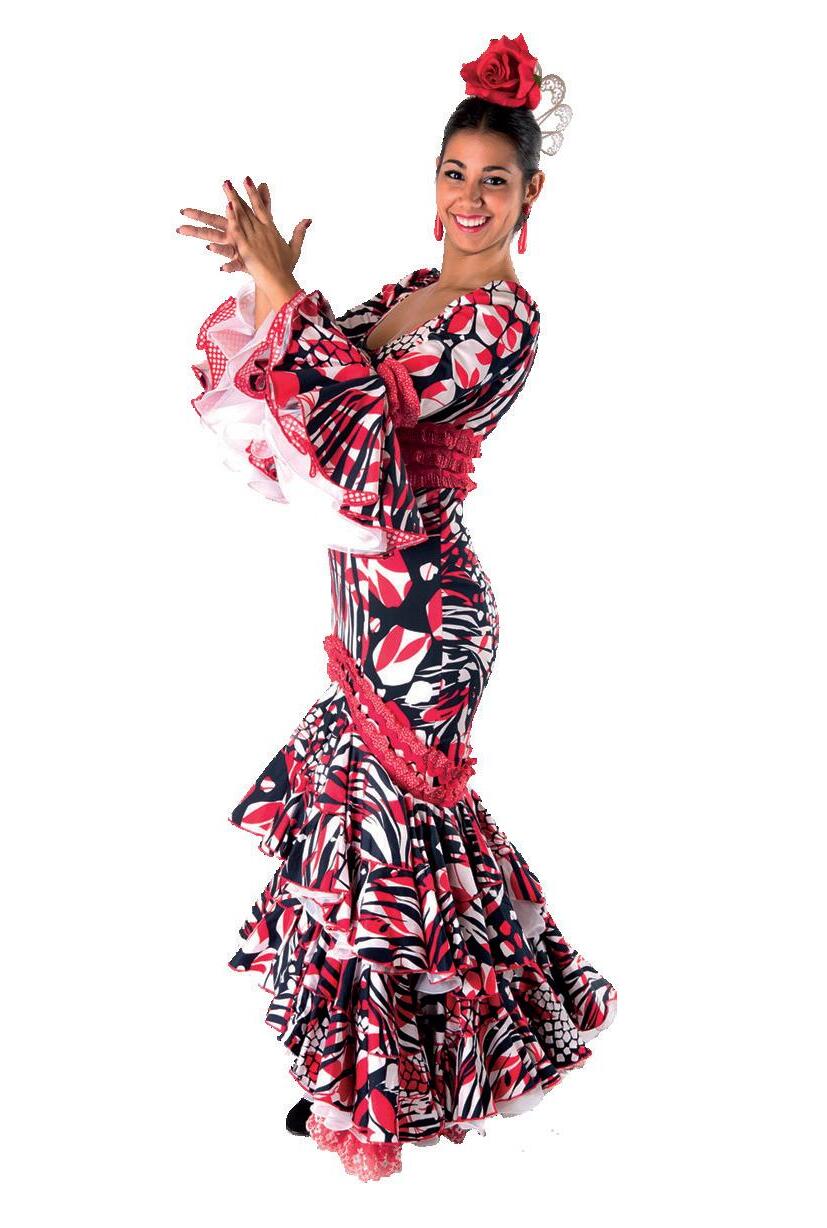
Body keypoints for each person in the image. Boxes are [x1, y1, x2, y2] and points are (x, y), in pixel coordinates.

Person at [178, 32, 617, 1183]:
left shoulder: (503, 321)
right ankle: (399, 1061)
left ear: (529, 196)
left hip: (429, 613)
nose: (470, 197)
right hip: (366, 603)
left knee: (382, 834)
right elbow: (304, 390)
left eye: (494, 179)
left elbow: (362, 418)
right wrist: (266, 283)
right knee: (367, 826)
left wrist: (287, 297)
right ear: (433, 181)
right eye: (454, 172)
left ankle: (380, 1090)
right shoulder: (411, 294)